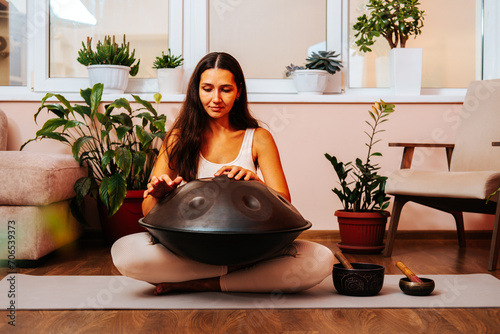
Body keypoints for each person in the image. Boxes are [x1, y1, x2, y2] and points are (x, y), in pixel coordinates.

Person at [111, 52, 334, 294]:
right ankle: (241, 274)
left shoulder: (258, 138)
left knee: (320, 257)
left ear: (238, 91)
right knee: (125, 252)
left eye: (225, 89)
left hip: (250, 248)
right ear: (197, 90)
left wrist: (256, 183)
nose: (216, 98)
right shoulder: (178, 138)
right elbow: (146, 211)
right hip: (192, 248)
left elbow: (286, 204)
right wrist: (160, 195)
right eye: (207, 88)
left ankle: (202, 282)